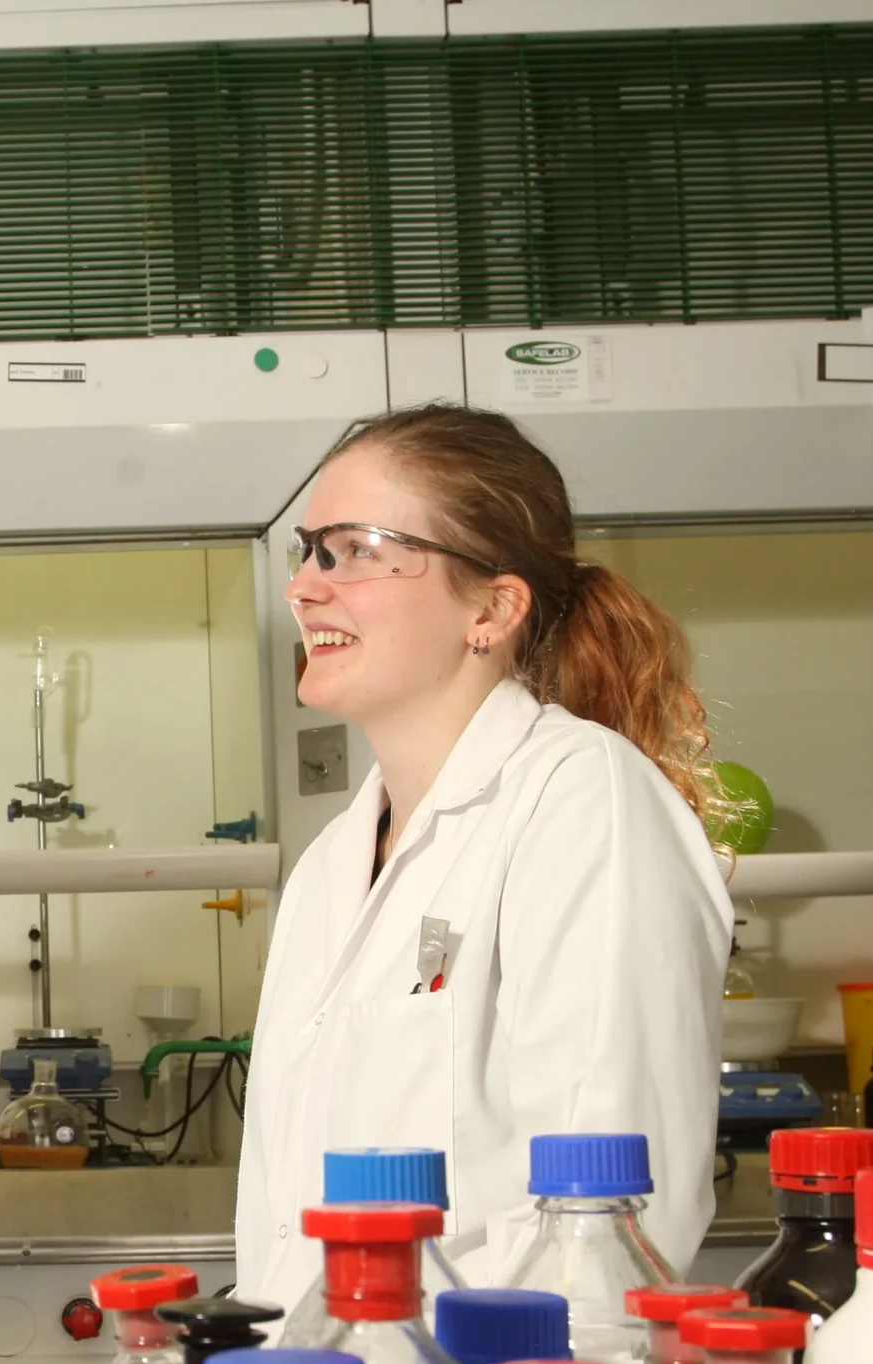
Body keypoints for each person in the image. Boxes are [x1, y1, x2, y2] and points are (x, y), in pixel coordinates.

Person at [233, 404, 728, 1308]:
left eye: (354, 549)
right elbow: (281, 1231)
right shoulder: (329, 867)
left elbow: (611, 1227)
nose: (302, 588)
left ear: (493, 609)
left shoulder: (582, 800)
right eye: (307, 551)